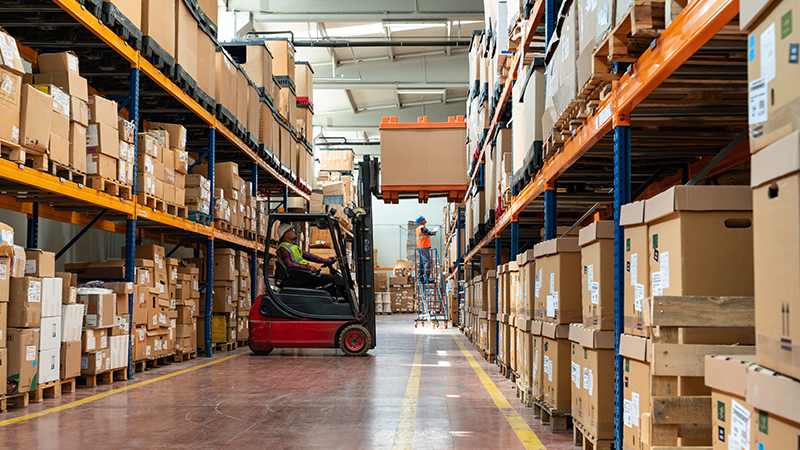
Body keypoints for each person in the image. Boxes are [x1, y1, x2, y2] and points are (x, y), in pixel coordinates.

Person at [275, 223, 339, 297]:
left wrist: (325, 260)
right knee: (327, 279)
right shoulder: (282, 248)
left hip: (302, 275)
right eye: (292, 230)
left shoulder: (293, 247)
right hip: (296, 277)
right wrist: (309, 268)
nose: (295, 231)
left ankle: (328, 300)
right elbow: (289, 264)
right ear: (286, 234)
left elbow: (308, 255)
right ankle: (332, 301)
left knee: (327, 279)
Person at [415, 215, 437, 281]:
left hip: (420, 247)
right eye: (424, 219)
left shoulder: (418, 228)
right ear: (421, 221)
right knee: (428, 262)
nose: (425, 219)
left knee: (421, 262)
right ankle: (427, 278)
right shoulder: (422, 228)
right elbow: (428, 233)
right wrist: (434, 232)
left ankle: (421, 277)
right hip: (424, 247)